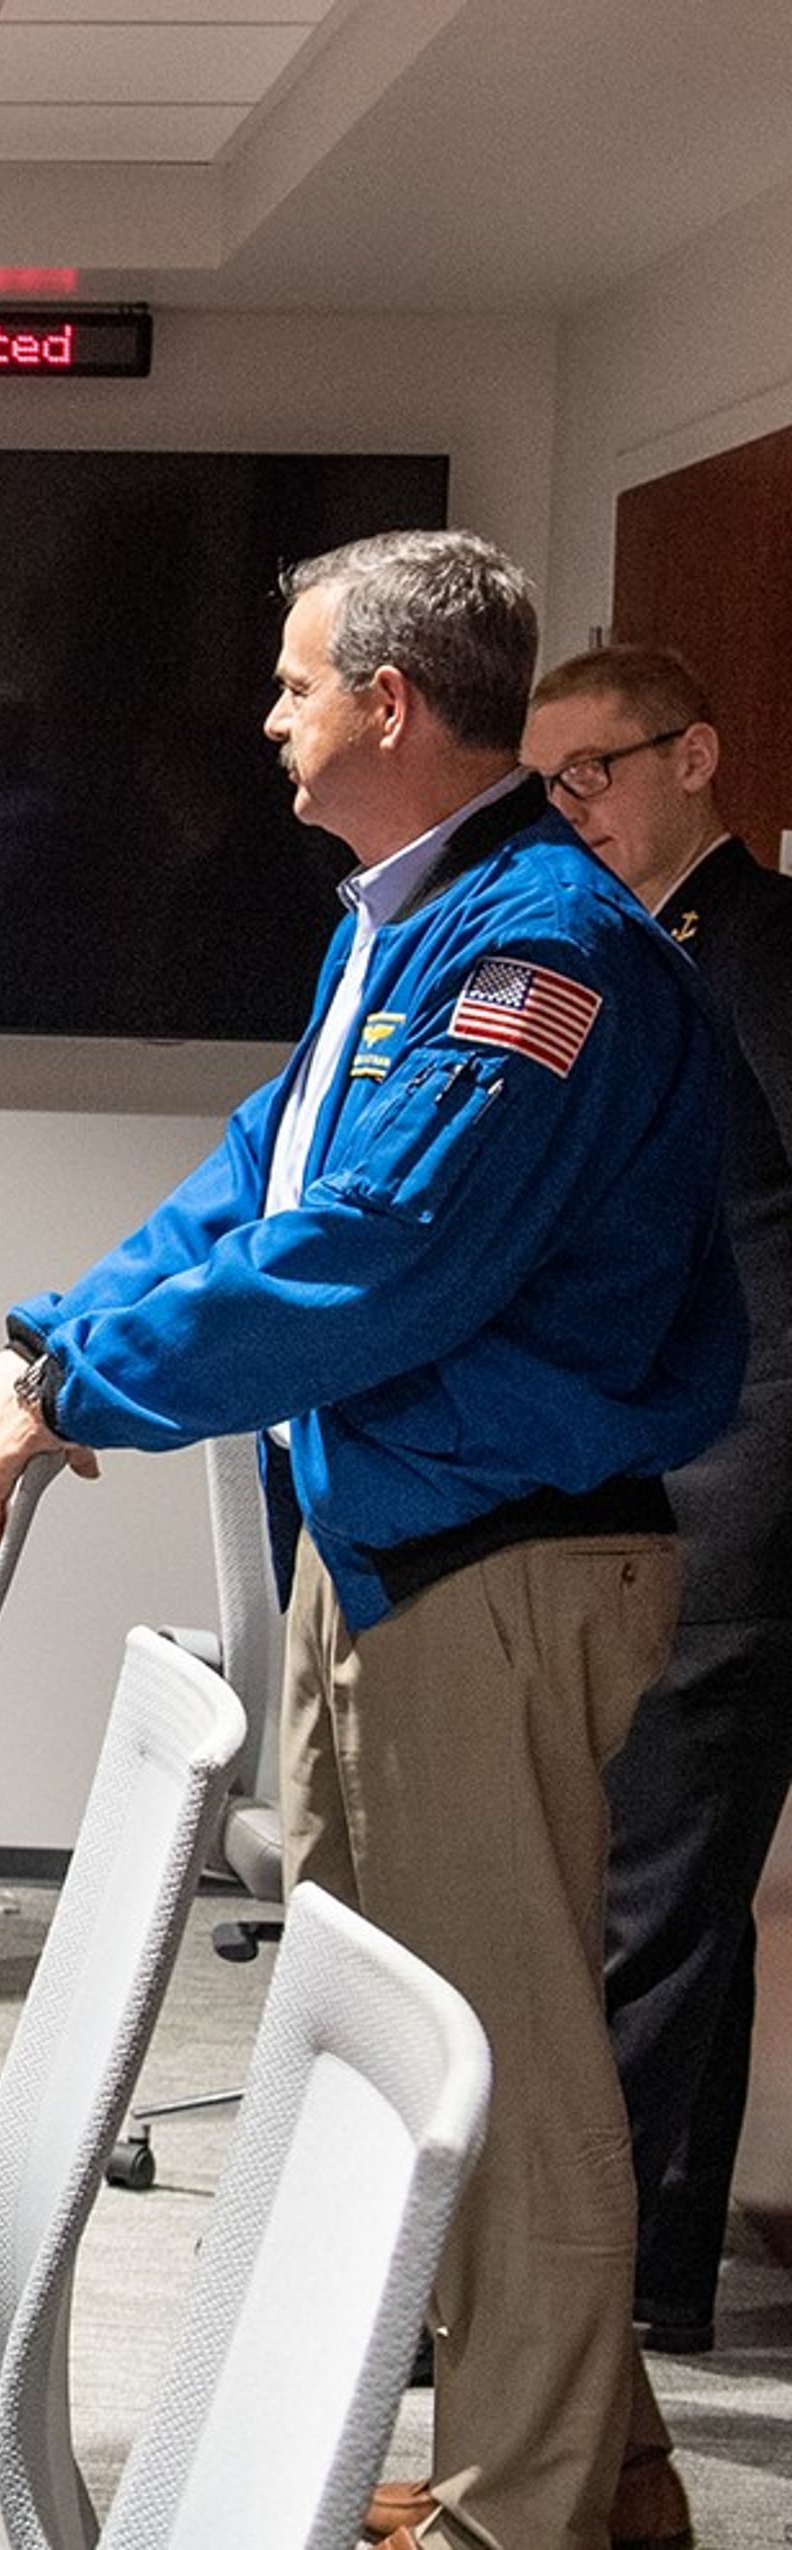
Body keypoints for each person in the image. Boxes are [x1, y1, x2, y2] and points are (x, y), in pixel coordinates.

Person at [0, 531, 741, 2550]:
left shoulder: (540, 947)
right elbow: (255, 1184)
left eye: (295, 683)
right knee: (428, 2052)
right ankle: (593, 2471)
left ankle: (514, 2512)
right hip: (392, 1547)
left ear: (388, 703)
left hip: (502, 1559)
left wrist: (83, 1395)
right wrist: (49, 1347)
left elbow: (377, 1264)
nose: (266, 716)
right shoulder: (402, 920)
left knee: (497, 2065)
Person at [524, 644, 792, 2362]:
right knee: (681, 1896)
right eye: (542, 786)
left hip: (741, 1476)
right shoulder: (636, 947)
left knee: (643, 1893)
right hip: (670, 1460)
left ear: (695, 756)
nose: (570, 814)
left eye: (594, 775)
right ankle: (655, 2272)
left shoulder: (767, 952)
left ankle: (576, 2301)